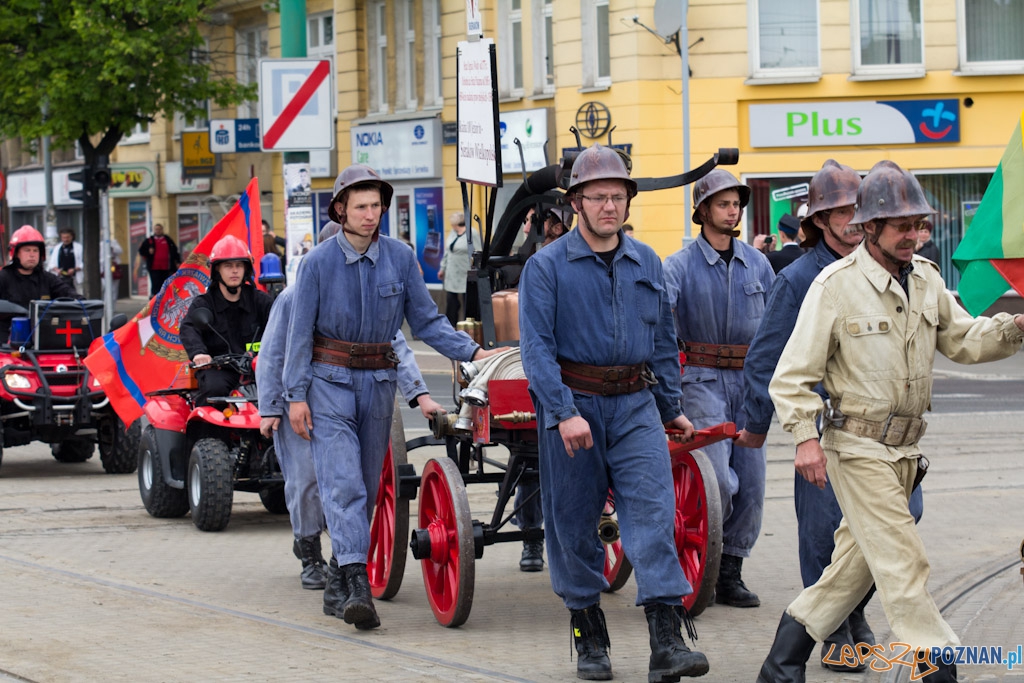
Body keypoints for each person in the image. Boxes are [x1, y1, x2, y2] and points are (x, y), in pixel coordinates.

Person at [757, 160, 1024, 683]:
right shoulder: (835, 285)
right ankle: (940, 669)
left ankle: (779, 668)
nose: (915, 236)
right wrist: (805, 439)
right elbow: (790, 376)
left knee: (847, 576)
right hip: (855, 449)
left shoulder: (926, 279)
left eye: (920, 224)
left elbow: (963, 341)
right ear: (870, 227)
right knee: (904, 565)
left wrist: (1015, 327)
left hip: (905, 454)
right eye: (903, 226)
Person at [282, 164, 504, 631]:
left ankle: (341, 578)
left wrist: (475, 351)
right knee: (343, 484)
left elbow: (426, 322)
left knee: (364, 488)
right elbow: (298, 334)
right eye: (360, 206)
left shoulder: (401, 258)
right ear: (340, 209)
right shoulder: (317, 263)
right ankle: (359, 587)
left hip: (377, 385)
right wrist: (294, 396)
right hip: (328, 384)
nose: (369, 214)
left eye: (376, 205)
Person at [519, 144, 709, 681]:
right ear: (576, 201)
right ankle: (589, 639)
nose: (609, 206)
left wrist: (670, 407)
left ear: (629, 202)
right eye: (598, 196)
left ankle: (667, 643)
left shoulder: (647, 261)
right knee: (574, 524)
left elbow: (664, 339)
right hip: (575, 409)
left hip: (634, 407)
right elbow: (536, 349)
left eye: (618, 196)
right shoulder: (546, 267)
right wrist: (562, 412)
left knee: (652, 517)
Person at [741, 159, 913, 673]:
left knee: (890, 523)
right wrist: (759, 424)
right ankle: (837, 628)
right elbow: (765, 358)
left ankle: (851, 609)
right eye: (837, 211)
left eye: (855, 208)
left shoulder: (883, 268)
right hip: (821, 428)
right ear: (818, 220)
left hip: (883, 434)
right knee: (823, 531)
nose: (850, 219)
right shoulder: (796, 279)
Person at [258, 283, 443, 591]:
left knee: (351, 485)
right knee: (305, 480)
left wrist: (420, 394)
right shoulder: (293, 298)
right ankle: (308, 551)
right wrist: (270, 407)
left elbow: (393, 343)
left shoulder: (368, 293)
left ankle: (342, 562)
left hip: (343, 398)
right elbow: (273, 351)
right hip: (299, 401)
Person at [662, 169, 775, 610]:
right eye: (724, 204)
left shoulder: (759, 263)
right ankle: (702, 566)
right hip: (702, 381)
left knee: (752, 485)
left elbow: (774, 327)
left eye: (737, 204)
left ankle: (731, 572)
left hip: (750, 385)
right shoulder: (678, 266)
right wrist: (669, 393)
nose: (734, 212)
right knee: (718, 483)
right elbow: (662, 333)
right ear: (703, 210)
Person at [180, 235, 273, 406]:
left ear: (247, 269)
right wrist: (199, 353)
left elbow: (281, 327)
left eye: (239, 265)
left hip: (258, 369)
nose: (235, 271)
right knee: (214, 390)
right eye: (228, 266)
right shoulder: (204, 304)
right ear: (217, 270)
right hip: (220, 370)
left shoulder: (260, 300)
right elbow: (189, 328)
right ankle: (211, 433)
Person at [0, 226, 80, 342]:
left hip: (44, 339)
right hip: (8, 341)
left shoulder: (47, 278)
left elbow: (68, 293)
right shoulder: (3, 277)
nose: (32, 255)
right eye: (27, 250)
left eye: (35, 250)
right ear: (16, 253)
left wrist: (83, 303)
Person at [437, 211, 482, 325]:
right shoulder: (453, 232)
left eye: (452, 223)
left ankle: (471, 325)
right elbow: (448, 252)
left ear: (456, 223)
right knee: (451, 301)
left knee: (469, 301)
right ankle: (451, 325)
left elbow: (478, 251)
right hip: (452, 272)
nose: (451, 225)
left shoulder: (472, 233)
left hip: (465, 272)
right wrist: (443, 268)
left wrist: (477, 269)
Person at [136, 223, 180, 295]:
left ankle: (165, 301)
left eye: (159, 229)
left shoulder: (167, 240)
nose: (158, 231)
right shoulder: (149, 240)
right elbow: (141, 251)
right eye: (156, 229)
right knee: (155, 285)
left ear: (162, 230)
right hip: (154, 268)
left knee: (165, 285)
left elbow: (175, 251)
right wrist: (148, 252)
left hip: (166, 268)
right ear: (154, 230)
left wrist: (177, 261)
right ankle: (154, 300)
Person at [47, 227, 84, 293]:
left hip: (74, 278)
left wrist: (74, 269)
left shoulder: (79, 247)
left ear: (72, 236)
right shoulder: (57, 248)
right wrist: (57, 270)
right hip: (61, 277)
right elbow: (51, 263)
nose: (65, 239)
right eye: (63, 237)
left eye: (68, 237)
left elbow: (83, 263)